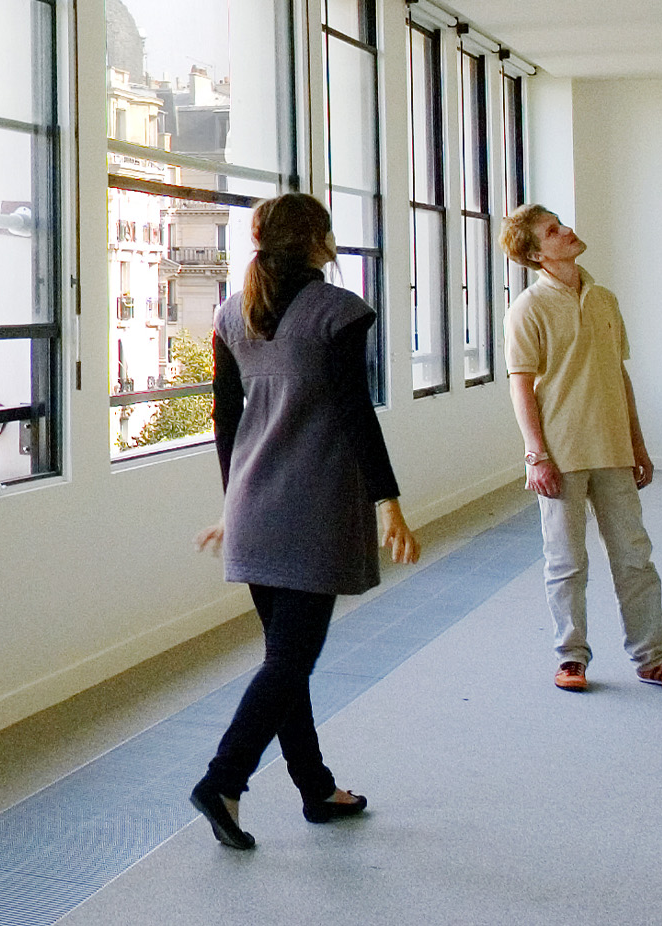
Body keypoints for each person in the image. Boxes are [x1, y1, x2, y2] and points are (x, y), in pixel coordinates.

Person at [188, 194, 420, 851]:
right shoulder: (336, 314)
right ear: (318, 239)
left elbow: (224, 423)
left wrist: (234, 503)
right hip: (311, 511)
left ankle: (317, 788)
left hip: (255, 509)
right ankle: (223, 779)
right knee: (291, 661)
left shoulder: (232, 314)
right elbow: (355, 413)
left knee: (283, 664)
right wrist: (390, 503)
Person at [501, 205, 662, 696]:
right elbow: (520, 386)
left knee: (635, 558)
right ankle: (571, 657)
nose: (567, 231)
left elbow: (618, 375)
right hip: (561, 454)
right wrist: (535, 455)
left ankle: (654, 659)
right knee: (566, 562)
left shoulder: (605, 299)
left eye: (561, 223)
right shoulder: (527, 308)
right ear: (535, 253)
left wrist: (638, 443)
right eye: (553, 231)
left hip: (613, 450)